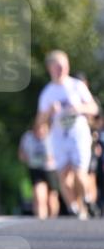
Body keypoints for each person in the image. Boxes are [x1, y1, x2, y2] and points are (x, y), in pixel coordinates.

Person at [36, 50, 99, 219]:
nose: (61, 69)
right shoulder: (47, 93)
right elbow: (39, 123)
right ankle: (75, 207)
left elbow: (94, 108)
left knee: (79, 173)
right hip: (59, 138)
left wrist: (80, 108)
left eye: (64, 65)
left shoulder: (77, 86)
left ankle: (85, 201)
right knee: (63, 175)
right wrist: (49, 111)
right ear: (50, 68)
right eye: (57, 66)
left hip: (78, 135)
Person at [18, 119, 60, 219]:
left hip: (50, 170)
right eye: (38, 129)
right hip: (35, 169)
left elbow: (61, 154)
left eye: (43, 129)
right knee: (39, 195)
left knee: (52, 197)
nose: (40, 132)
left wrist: (52, 158)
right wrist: (27, 158)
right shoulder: (28, 137)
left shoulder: (53, 137)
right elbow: (21, 154)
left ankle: (53, 218)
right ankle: (41, 220)